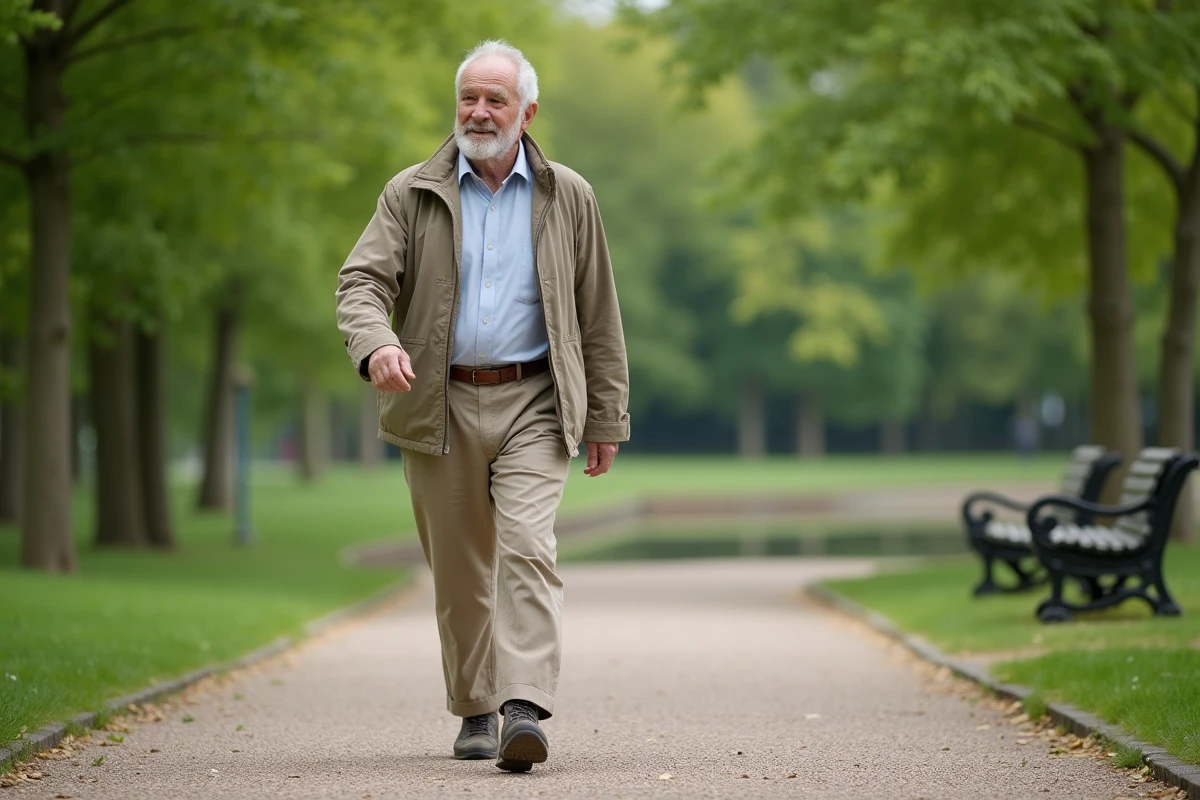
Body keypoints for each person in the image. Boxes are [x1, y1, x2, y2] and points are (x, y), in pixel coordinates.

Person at [334, 39, 630, 772]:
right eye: (468, 96)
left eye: (495, 99)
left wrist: (606, 416)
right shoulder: (411, 192)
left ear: (528, 112)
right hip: (438, 402)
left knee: (528, 547)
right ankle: (475, 705)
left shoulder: (570, 195)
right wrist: (375, 345)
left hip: (535, 397)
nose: (478, 111)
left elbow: (598, 315)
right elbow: (361, 282)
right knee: (461, 569)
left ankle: (522, 707)